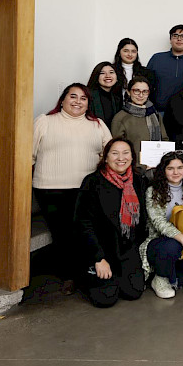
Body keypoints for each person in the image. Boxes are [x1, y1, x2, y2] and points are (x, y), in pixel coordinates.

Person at [32, 83, 112, 294]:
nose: (77, 101)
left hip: (85, 189)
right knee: (62, 234)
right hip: (50, 188)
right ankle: (68, 276)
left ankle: (85, 274)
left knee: (82, 233)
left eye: (83, 98)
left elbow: (111, 154)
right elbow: (28, 155)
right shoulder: (44, 121)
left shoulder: (97, 125)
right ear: (63, 99)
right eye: (73, 96)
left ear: (88, 103)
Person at [74, 138, 147, 308]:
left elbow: (142, 221)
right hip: (102, 250)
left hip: (126, 249)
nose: (120, 158)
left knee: (133, 292)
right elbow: (83, 223)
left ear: (132, 157)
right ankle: (88, 273)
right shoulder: (92, 182)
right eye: (114, 153)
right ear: (105, 157)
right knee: (105, 299)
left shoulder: (138, 181)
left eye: (125, 153)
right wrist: (98, 258)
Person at [140, 152, 183, 299]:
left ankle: (171, 272)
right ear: (163, 170)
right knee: (172, 246)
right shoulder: (153, 191)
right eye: (170, 168)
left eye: (180, 167)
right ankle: (160, 278)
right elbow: (159, 223)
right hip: (159, 242)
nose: (176, 172)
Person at [111, 77, 169, 177]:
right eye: (136, 91)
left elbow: (164, 140)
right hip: (133, 172)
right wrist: (140, 166)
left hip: (158, 171)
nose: (141, 95)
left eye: (145, 91)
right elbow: (117, 150)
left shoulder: (155, 115)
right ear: (129, 92)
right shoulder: (120, 118)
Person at [86, 61, 123, 128]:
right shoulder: (89, 96)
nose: (108, 76)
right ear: (96, 77)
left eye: (111, 72)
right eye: (102, 73)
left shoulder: (117, 98)